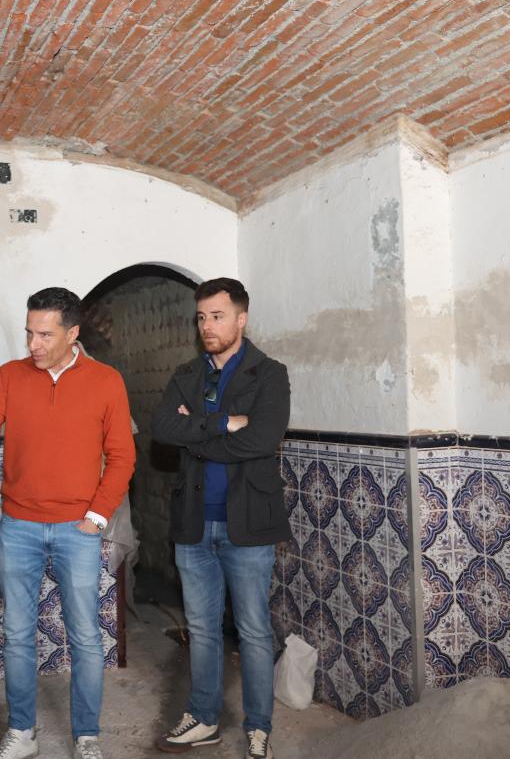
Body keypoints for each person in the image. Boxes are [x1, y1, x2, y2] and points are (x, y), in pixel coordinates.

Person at [0, 287, 136, 759]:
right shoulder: (10, 376)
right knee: (18, 635)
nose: (33, 344)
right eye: (28, 333)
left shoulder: (106, 381)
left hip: (78, 530)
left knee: (85, 637)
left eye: (44, 334)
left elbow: (122, 456)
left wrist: (96, 516)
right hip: (18, 527)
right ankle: (22, 734)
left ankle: (86, 737)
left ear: (72, 333)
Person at [151, 277, 291, 759]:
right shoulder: (187, 374)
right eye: (201, 317)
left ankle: (259, 726)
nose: (207, 326)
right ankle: (204, 716)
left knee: (253, 629)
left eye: (217, 316)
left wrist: (198, 431)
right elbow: (163, 428)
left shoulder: (269, 374)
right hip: (193, 522)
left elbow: (262, 439)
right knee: (202, 627)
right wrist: (223, 422)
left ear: (241, 318)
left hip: (247, 524)